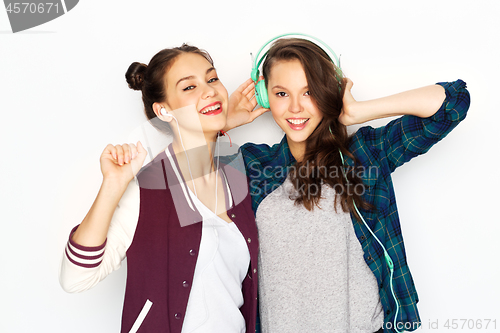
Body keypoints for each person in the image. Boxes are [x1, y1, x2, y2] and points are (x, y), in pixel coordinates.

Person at [228, 36, 470, 333]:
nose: (294, 107)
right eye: (281, 93)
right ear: (265, 96)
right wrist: (226, 121)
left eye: (309, 92)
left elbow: (453, 103)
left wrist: (358, 111)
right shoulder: (253, 165)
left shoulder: (364, 155)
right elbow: (177, 183)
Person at [59, 44, 266, 333]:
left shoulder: (235, 173)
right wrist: (113, 186)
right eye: (189, 87)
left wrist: (218, 122)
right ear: (163, 110)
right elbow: (76, 278)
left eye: (212, 79)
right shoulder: (149, 189)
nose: (209, 90)